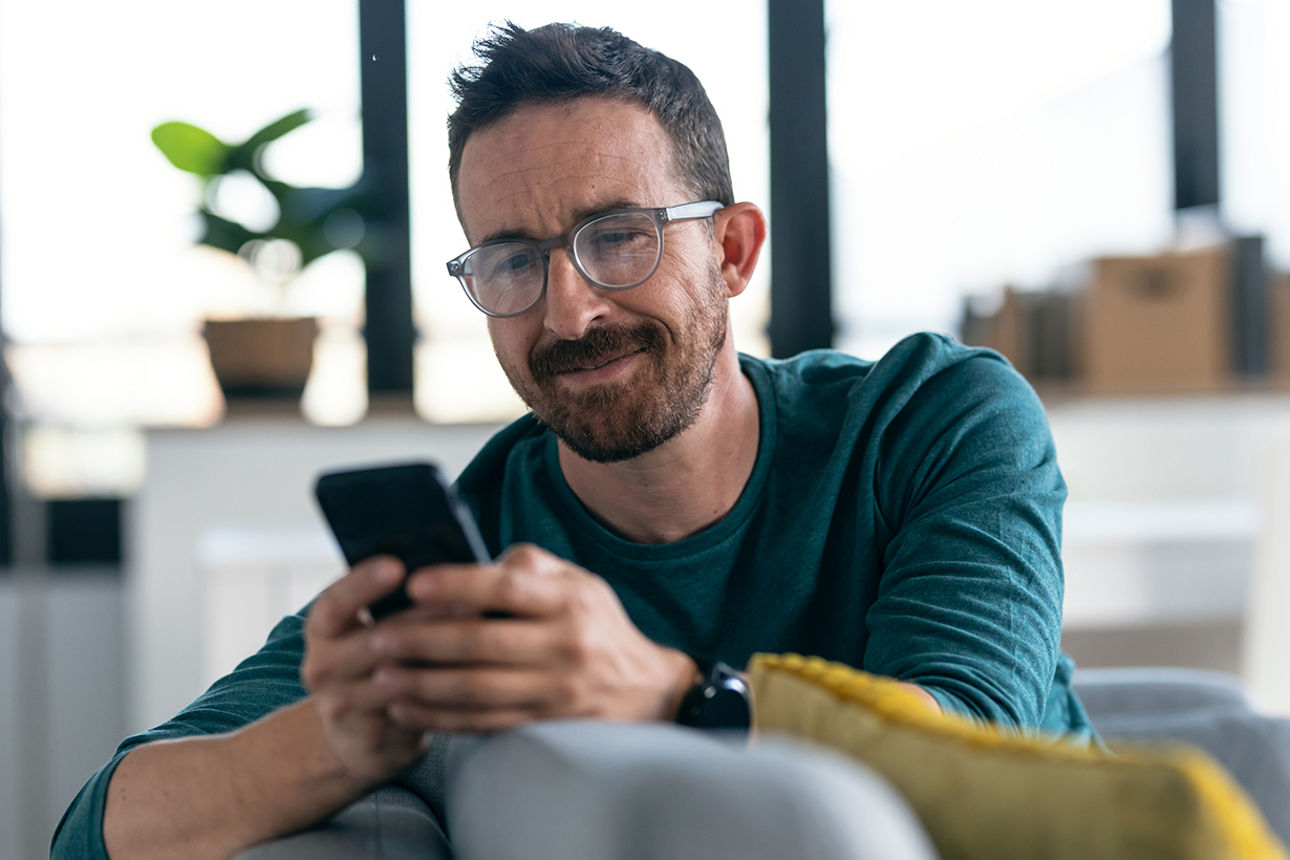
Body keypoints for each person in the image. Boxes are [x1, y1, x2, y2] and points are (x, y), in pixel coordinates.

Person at [53, 21, 1093, 859]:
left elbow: (975, 757)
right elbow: (98, 826)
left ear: (732, 251)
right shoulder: (479, 542)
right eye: (511, 258)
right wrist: (341, 735)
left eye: (618, 237)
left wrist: (665, 694)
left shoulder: (934, 417)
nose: (567, 311)